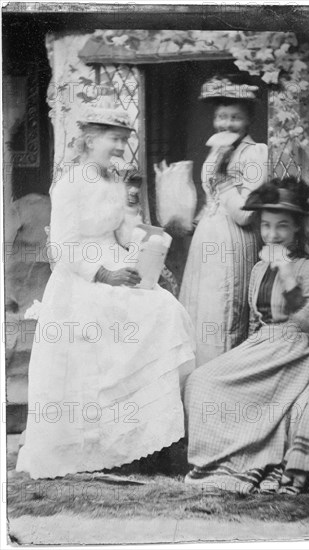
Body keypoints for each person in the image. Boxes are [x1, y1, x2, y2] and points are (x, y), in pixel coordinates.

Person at [16, 106, 195, 480]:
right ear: (89, 140)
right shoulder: (69, 185)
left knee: (168, 312)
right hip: (81, 280)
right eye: (113, 139)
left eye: (124, 140)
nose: (119, 146)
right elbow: (61, 248)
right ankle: (94, 447)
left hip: (118, 264)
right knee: (98, 358)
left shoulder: (113, 180)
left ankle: (144, 441)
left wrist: (151, 241)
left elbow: (122, 231)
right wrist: (103, 273)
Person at [184, 176, 309, 495]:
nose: (272, 235)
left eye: (282, 227)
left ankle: (256, 464)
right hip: (263, 346)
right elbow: (255, 322)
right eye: (265, 226)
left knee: (212, 384)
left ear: (297, 228)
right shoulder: (260, 268)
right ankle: (221, 465)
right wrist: (240, 357)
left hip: (296, 353)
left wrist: (288, 275)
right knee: (200, 381)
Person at [179, 74, 268, 366]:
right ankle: (196, 380)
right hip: (207, 239)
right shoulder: (217, 150)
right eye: (221, 117)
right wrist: (197, 218)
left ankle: (221, 379)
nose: (226, 124)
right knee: (200, 307)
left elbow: (245, 213)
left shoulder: (255, 153)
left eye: (235, 118)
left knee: (222, 309)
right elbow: (211, 199)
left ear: (248, 121)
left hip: (234, 240)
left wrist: (224, 181)